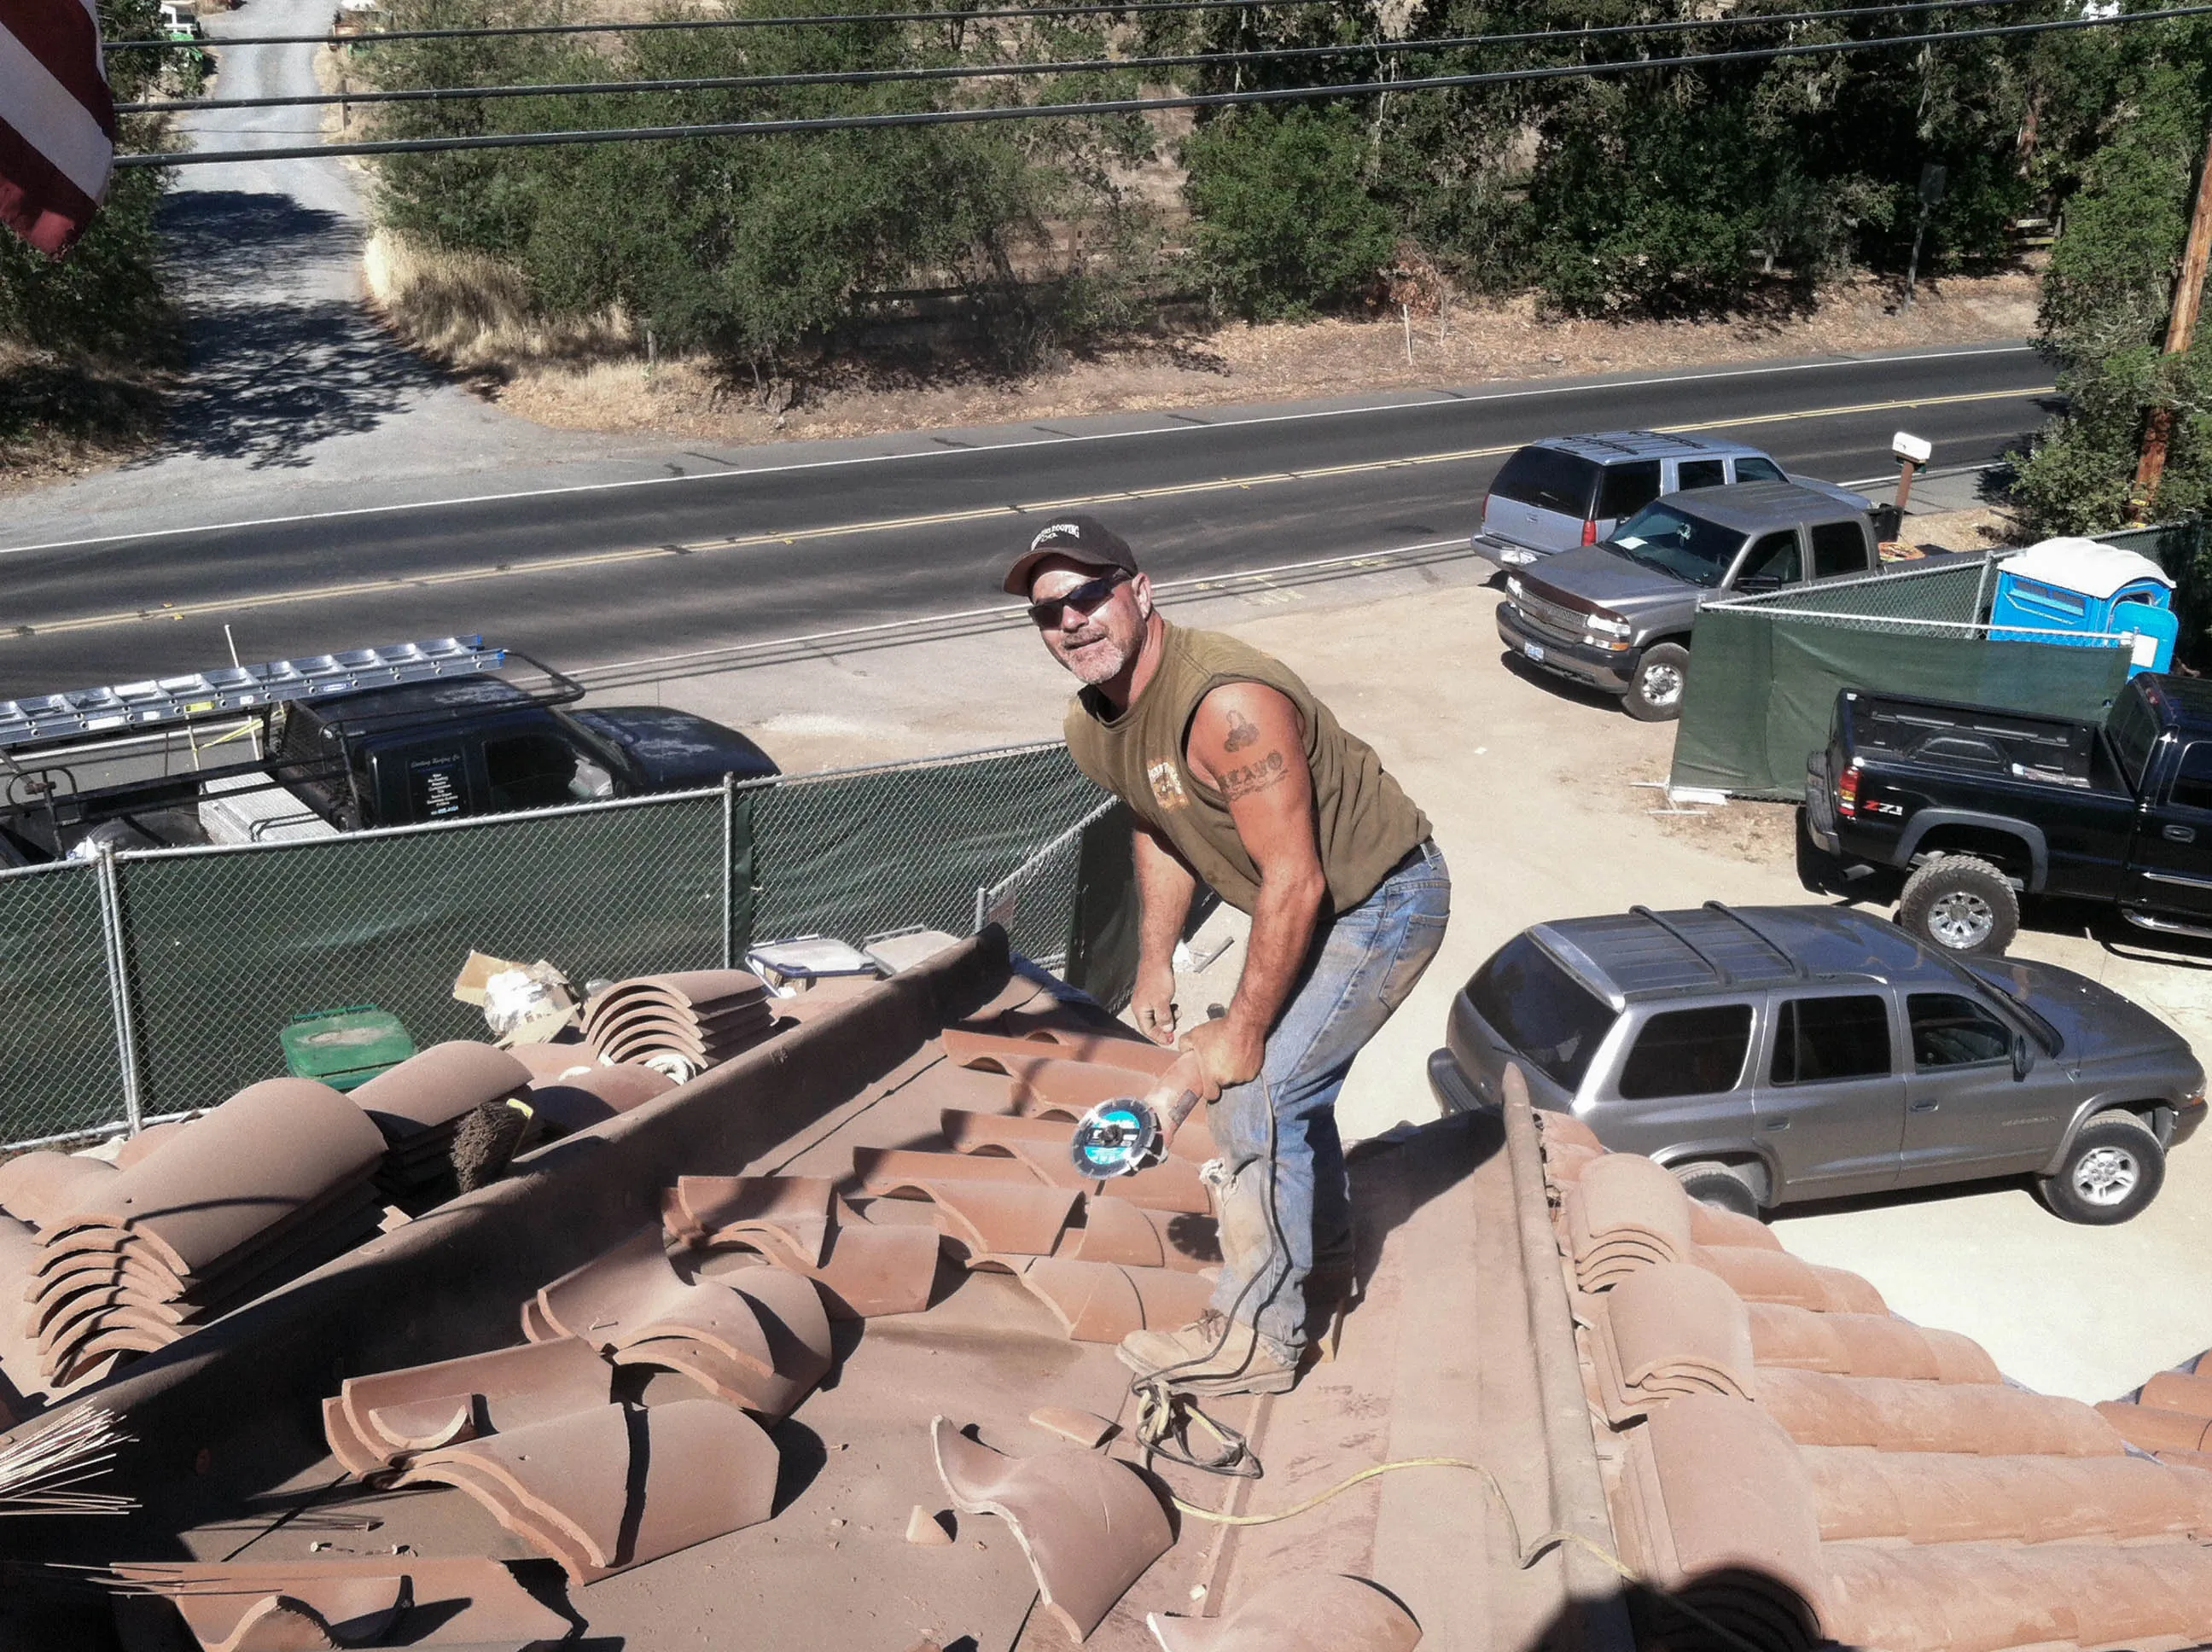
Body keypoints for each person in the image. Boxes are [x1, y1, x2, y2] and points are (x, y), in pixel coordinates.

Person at [1003, 515, 1451, 1395]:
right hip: (1313, 901)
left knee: (1263, 1092)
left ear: (1140, 590)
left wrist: (1241, 1031)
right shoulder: (1095, 722)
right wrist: (1154, 957)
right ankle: (1321, 1258)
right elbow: (1156, 819)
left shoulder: (1227, 704)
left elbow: (1293, 882)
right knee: (1285, 1084)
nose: (1071, 622)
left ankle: (1258, 1335)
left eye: (1089, 594)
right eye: (1049, 611)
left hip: (1384, 900)